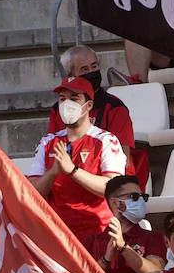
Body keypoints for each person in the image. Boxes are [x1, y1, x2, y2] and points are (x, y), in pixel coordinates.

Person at [28, 75, 127, 242]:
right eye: (62, 99)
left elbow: (114, 188)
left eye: (74, 98)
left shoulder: (106, 140)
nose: (67, 104)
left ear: (88, 105)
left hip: (98, 232)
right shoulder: (48, 142)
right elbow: (31, 193)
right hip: (58, 233)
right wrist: (53, 173)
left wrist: (73, 171)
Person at [47, 46, 146, 186]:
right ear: (71, 75)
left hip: (109, 180)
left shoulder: (114, 107)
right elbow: (53, 152)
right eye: (84, 69)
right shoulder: (57, 110)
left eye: (94, 66)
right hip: (67, 181)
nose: (92, 72)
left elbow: (124, 158)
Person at [87, 175, 166, 273]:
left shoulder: (152, 238)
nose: (141, 201)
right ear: (115, 203)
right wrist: (106, 258)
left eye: (143, 197)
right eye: (135, 197)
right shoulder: (92, 242)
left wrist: (123, 247)